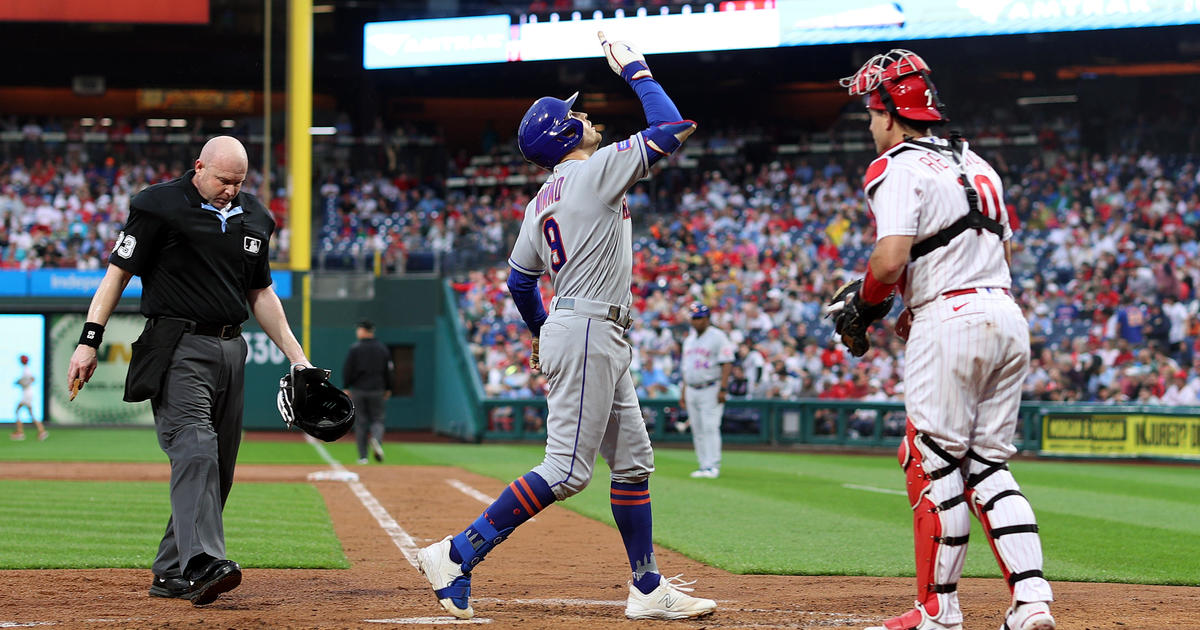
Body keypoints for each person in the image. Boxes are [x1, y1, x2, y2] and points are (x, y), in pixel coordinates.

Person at [417, 33, 714, 621]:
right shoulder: (593, 173)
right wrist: (636, 69)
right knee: (567, 471)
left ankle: (647, 587)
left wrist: (539, 331)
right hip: (587, 329)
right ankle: (455, 554)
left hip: (586, 327)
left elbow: (519, 282)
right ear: (562, 134)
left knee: (632, 462)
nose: (584, 115)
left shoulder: (539, 201)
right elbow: (672, 127)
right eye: (574, 114)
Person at [834, 50, 1055, 630]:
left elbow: (889, 258)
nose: (869, 124)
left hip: (950, 320)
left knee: (931, 460)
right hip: (1005, 314)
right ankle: (1032, 603)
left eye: (870, 111)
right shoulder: (979, 164)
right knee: (989, 464)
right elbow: (998, 251)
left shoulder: (896, 167)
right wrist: (918, 302)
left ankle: (938, 609)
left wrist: (867, 306)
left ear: (889, 112)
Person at [66, 136, 314, 607]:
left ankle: (170, 571)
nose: (231, 190)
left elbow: (261, 294)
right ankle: (202, 563)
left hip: (231, 348)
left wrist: (298, 357)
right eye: (223, 180)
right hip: (176, 345)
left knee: (219, 467)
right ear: (199, 167)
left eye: (239, 182)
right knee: (195, 447)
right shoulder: (157, 205)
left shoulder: (257, 217)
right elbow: (116, 273)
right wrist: (89, 340)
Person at [679, 303, 734, 479]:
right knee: (697, 428)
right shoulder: (689, 340)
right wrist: (683, 392)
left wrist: (723, 388)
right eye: (693, 318)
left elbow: (727, 362)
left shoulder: (718, 337)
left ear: (707, 319)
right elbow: (686, 369)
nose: (695, 322)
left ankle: (713, 466)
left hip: (711, 387)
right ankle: (703, 465)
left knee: (710, 426)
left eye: (698, 318)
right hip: (692, 389)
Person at [343, 319, 393, 464]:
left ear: (364, 331)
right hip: (377, 389)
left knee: (361, 423)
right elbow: (389, 370)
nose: (357, 332)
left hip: (359, 389)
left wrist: (346, 386)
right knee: (378, 419)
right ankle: (376, 440)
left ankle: (363, 457)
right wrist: (388, 387)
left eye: (359, 329)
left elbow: (348, 369)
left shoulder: (355, 348)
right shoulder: (382, 348)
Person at [11, 354, 47, 441]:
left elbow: (31, 379)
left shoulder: (26, 370)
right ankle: (41, 431)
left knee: (17, 411)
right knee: (31, 414)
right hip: (27, 393)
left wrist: (20, 383)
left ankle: (20, 432)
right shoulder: (26, 369)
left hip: (26, 393)